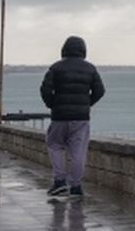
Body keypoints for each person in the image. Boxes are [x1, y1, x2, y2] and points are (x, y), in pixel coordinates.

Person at [39, 34, 105, 200]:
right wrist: (87, 104)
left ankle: (60, 182)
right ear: (83, 51)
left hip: (59, 117)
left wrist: (51, 104)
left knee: (54, 145)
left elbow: (45, 90)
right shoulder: (90, 69)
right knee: (78, 151)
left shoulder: (55, 68)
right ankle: (76, 186)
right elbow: (100, 91)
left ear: (64, 50)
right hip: (81, 118)